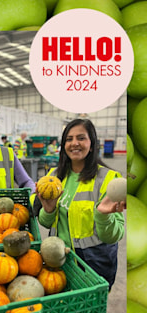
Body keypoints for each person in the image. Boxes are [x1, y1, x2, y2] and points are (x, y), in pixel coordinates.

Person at [35, 119, 125, 290]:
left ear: (92, 145)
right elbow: (46, 223)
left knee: (90, 312)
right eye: (69, 139)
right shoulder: (53, 177)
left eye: (81, 138)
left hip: (94, 263)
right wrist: (48, 210)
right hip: (59, 259)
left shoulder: (108, 179)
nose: (74, 143)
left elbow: (113, 235)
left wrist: (103, 216)